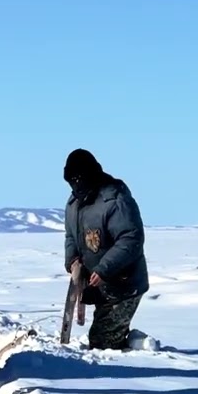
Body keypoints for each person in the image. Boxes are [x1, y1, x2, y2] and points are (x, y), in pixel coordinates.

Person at [62, 148, 150, 350]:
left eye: (79, 179)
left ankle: (139, 349)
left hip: (123, 285)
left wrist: (105, 269)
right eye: (71, 180)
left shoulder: (116, 201)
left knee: (103, 344)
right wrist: (72, 259)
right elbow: (71, 235)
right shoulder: (75, 202)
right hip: (98, 284)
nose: (75, 185)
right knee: (101, 337)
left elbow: (131, 239)